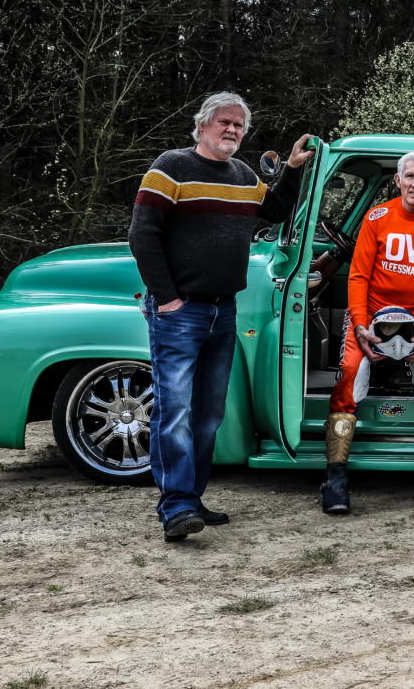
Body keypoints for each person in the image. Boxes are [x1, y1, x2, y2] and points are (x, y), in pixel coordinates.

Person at [129, 92, 314, 542]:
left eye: (239, 125)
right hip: (180, 311)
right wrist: (167, 299)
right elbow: (142, 235)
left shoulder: (243, 175)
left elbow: (275, 210)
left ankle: (191, 499)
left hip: (223, 310)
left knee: (209, 414)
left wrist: (292, 168)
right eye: (224, 122)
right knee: (174, 409)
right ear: (202, 126)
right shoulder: (170, 167)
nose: (232, 130)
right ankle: (175, 506)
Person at [321, 151, 414, 515]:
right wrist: (360, 325)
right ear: (398, 180)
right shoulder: (377, 216)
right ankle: (335, 479)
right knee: (349, 373)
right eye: (410, 176)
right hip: (370, 317)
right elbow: (358, 276)